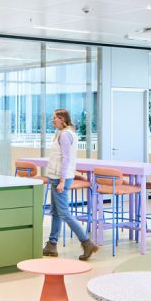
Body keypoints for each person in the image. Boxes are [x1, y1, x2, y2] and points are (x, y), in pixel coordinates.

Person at [42, 109, 99, 261]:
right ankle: (51, 245)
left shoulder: (65, 135)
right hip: (56, 177)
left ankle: (87, 243)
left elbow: (66, 158)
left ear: (62, 119)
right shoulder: (63, 133)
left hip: (60, 178)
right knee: (56, 212)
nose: (53, 120)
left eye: (55, 118)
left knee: (64, 213)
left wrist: (61, 180)